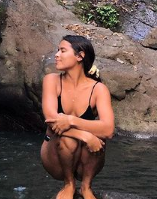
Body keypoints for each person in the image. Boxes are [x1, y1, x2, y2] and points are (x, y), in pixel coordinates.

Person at [40, 35, 115, 199]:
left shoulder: (98, 89)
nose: (57, 55)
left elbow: (108, 129)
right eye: (57, 50)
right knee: (73, 139)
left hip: (86, 161)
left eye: (62, 50)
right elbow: (51, 120)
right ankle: (69, 184)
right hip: (54, 156)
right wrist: (85, 135)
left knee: (99, 137)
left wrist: (71, 120)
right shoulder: (51, 81)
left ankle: (86, 186)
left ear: (80, 56)